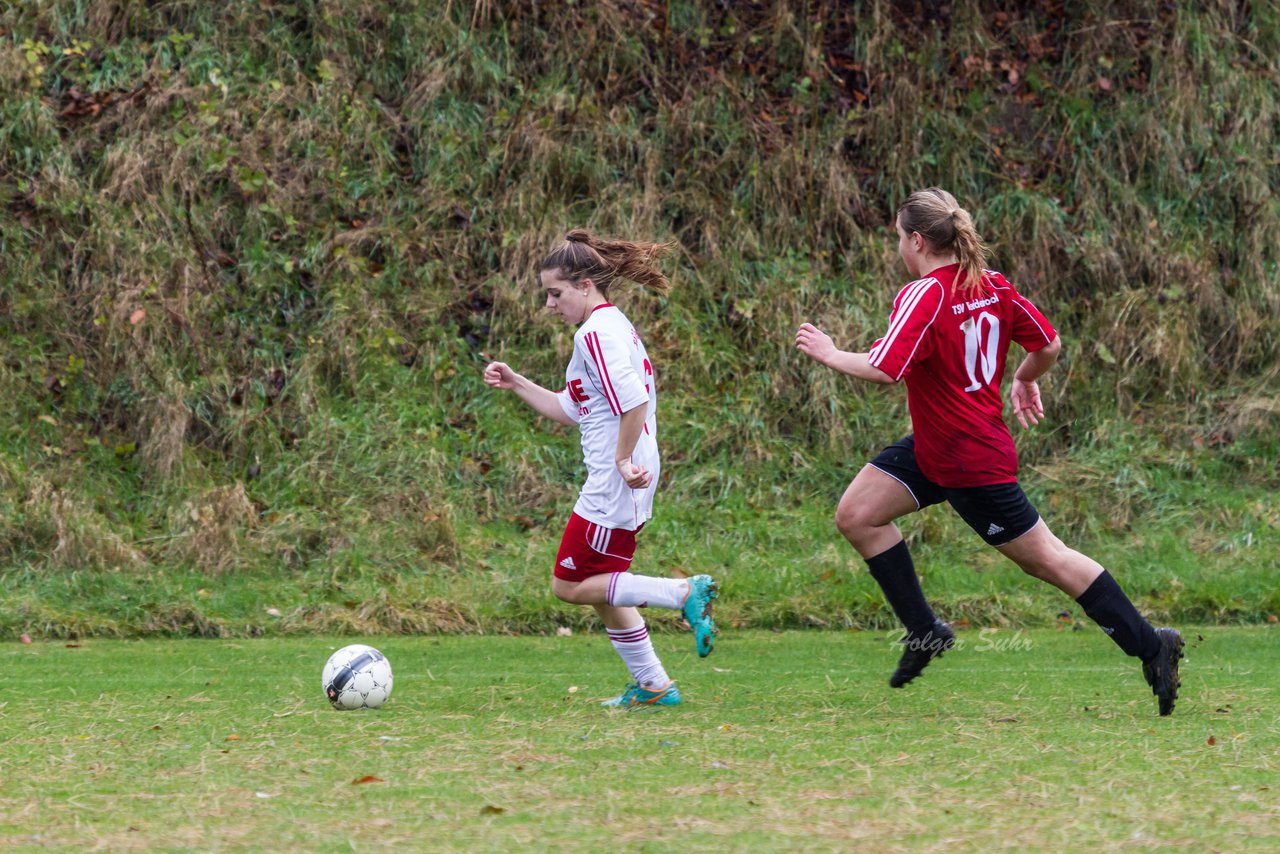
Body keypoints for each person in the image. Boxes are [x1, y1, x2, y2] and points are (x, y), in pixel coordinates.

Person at [795, 188, 1184, 716]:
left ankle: (1150, 644)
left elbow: (887, 367)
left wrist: (830, 352)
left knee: (1049, 559)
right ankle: (924, 630)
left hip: (968, 463)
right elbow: (1047, 343)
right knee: (858, 515)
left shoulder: (924, 294)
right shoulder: (992, 284)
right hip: (941, 446)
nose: (898, 250)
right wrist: (1024, 379)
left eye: (897, 239)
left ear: (916, 240)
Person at [484, 229, 718, 708]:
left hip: (616, 482)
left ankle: (683, 593)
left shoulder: (595, 334)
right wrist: (516, 382)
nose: (550, 304)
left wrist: (621, 460)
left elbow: (633, 402)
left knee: (568, 585)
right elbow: (572, 409)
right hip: (623, 478)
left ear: (586, 284)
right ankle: (654, 687)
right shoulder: (610, 327)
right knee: (603, 590)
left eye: (556, 293)